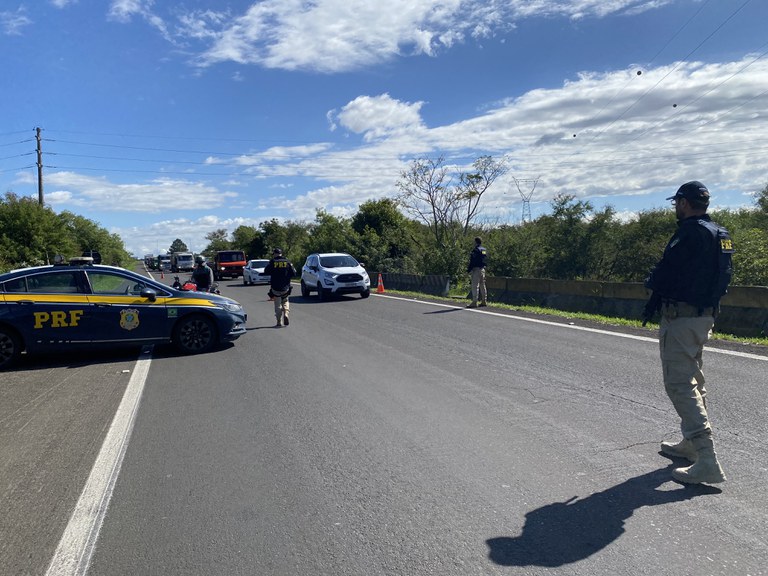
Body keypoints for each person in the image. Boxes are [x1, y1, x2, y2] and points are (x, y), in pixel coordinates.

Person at [643, 181, 733, 484]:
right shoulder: (720, 234)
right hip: (704, 316)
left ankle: (707, 458)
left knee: (680, 384)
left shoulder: (689, 233)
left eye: (676, 203)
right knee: (694, 380)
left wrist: (651, 283)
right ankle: (692, 444)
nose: (675, 208)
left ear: (683, 203)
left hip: (681, 318)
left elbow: (665, 273)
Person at [264, 248, 296, 327]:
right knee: (285, 300)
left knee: (277, 305)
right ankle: (286, 313)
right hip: (285, 287)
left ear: (275, 254)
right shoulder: (287, 262)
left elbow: (266, 271)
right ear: (281, 254)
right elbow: (294, 273)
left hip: (275, 288)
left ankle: (279, 321)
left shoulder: (272, 262)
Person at [467, 236, 488, 308]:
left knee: (475, 285)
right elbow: (485, 258)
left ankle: (474, 301)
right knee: (482, 285)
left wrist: (468, 270)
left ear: (476, 242)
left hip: (476, 269)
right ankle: (484, 301)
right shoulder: (484, 250)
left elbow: (472, 261)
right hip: (482, 269)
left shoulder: (475, 250)